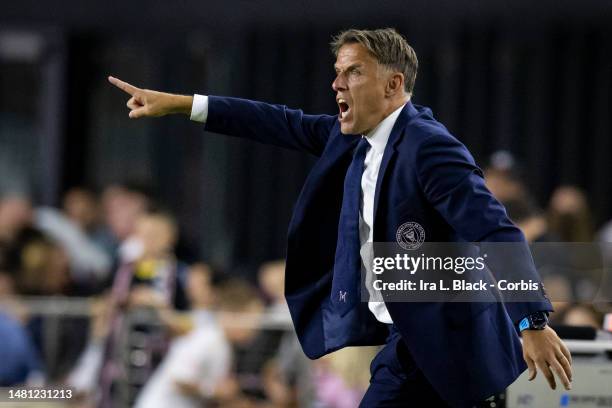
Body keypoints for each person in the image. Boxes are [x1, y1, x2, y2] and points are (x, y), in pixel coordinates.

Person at [108, 28, 572, 407]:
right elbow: (276, 122)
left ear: (393, 85)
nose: (337, 84)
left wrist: (531, 321)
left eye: (353, 72)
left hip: (448, 345)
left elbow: (496, 230)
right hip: (411, 342)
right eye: (337, 72)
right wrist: (182, 103)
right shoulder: (353, 137)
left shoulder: (429, 147)